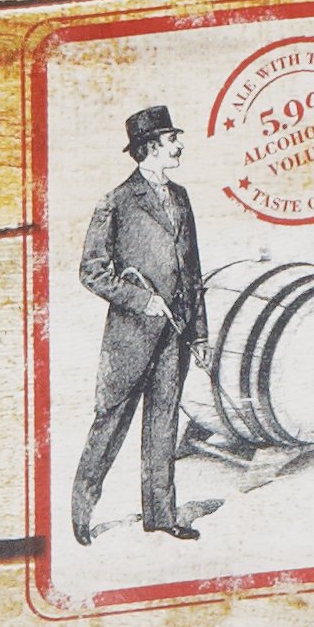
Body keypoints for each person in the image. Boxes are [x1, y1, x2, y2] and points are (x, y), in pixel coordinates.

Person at [72, 106, 211, 545]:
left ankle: (162, 515)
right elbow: (92, 272)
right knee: (109, 424)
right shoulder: (116, 200)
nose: (179, 146)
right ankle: (81, 514)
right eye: (172, 140)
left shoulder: (181, 197)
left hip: (176, 333)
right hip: (130, 338)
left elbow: (192, 270)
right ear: (150, 147)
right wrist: (142, 300)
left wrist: (200, 332)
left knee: (163, 424)